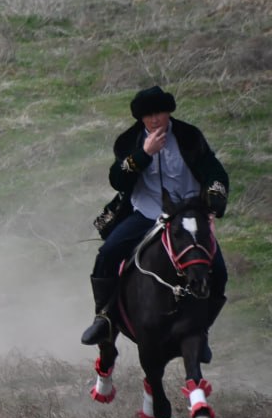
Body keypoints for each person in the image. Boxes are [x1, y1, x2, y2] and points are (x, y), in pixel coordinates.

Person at [80, 86, 229, 354]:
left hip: (186, 216)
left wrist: (212, 207)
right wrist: (143, 154)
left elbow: (214, 171)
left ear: (168, 112)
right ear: (141, 119)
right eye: (148, 115)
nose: (154, 119)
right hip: (147, 214)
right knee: (108, 253)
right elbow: (118, 179)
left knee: (219, 270)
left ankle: (202, 330)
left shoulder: (189, 136)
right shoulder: (128, 141)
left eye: (159, 113)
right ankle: (104, 318)